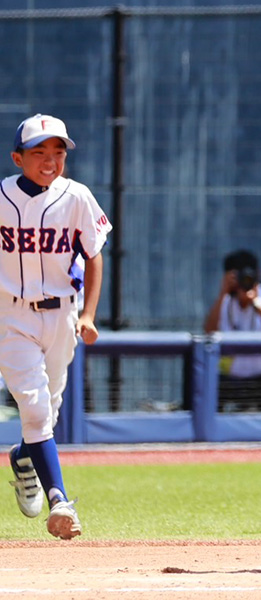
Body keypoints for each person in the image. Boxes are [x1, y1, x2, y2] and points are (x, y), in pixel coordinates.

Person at [4, 113, 112, 539]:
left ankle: (23, 457)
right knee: (33, 408)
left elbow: (94, 254)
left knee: (47, 411)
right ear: (18, 157)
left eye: (58, 151)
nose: (50, 159)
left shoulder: (77, 196)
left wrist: (89, 314)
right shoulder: (1, 196)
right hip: (10, 314)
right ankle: (59, 501)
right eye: (39, 152)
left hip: (63, 312)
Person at [203, 249, 261, 412]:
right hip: (232, 380)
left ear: (258, 274)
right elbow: (209, 332)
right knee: (209, 386)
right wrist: (223, 293)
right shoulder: (225, 303)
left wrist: (256, 303)